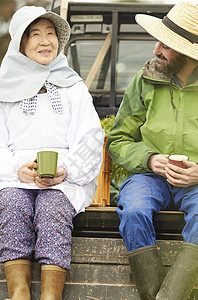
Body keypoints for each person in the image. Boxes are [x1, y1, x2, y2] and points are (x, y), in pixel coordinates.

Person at [0, 5, 104, 300]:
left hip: (63, 178)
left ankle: (50, 295)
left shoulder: (72, 86)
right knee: (12, 205)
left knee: (51, 209)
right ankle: (18, 292)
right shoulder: (2, 88)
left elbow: (91, 136)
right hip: (13, 176)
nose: (45, 41)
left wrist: (65, 169)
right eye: (35, 34)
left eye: (50, 34)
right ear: (20, 42)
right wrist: (16, 169)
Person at [107, 2, 198, 300]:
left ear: (189, 55)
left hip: (196, 182)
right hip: (149, 176)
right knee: (132, 210)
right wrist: (150, 159)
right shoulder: (144, 79)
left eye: (167, 45)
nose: (156, 49)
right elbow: (118, 139)